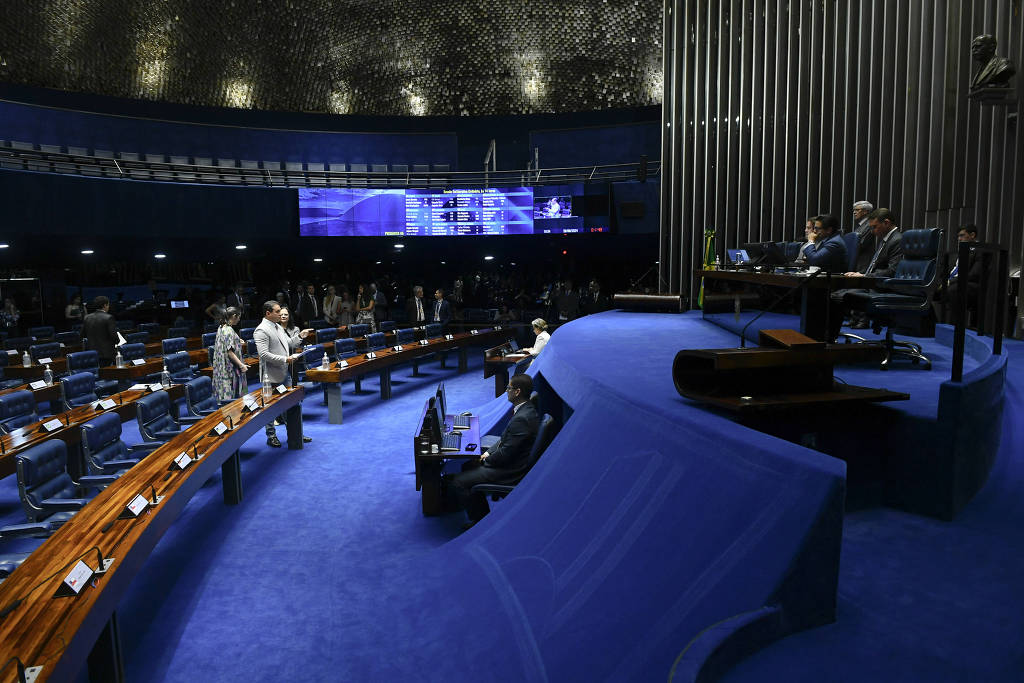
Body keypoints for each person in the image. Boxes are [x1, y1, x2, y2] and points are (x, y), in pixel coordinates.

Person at [447, 373, 540, 528]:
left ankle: (481, 523)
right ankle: (474, 507)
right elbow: (505, 440)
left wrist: (485, 460)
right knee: (467, 466)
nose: (506, 391)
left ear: (517, 392)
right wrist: (488, 452)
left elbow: (505, 454)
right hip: (510, 460)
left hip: (510, 470)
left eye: (508, 388)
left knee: (458, 482)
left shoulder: (522, 419)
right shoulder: (525, 408)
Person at [829, 208, 904, 336]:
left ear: (886, 222)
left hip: (886, 288)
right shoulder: (886, 239)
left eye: (875, 227)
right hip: (877, 284)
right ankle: (828, 337)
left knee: (837, 296)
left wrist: (865, 276)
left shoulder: (897, 240)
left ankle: (829, 338)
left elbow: (893, 271)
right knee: (837, 293)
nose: (872, 231)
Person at [253, 300, 313, 448]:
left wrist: (300, 336)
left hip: (284, 372)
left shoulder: (278, 327)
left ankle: (294, 434)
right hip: (271, 376)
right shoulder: (261, 330)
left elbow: (290, 344)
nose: (280, 314)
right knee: (270, 408)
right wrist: (285, 359)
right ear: (268, 313)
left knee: (291, 404)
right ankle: (271, 436)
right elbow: (264, 354)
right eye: (277, 311)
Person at [942, 225, 983, 323]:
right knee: (929, 288)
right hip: (953, 281)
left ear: (972, 235)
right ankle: (929, 324)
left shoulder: (980, 251)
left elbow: (973, 274)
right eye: (958, 236)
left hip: (970, 285)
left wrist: (950, 282)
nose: (959, 239)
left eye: (962, 235)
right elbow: (948, 270)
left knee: (953, 289)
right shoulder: (958, 251)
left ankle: (955, 326)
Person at [212, 306, 248, 402]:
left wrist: (237, 340)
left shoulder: (222, 327)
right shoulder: (228, 330)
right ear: (234, 316)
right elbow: (230, 352)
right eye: (239, 317)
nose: (239, 320)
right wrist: (241, 365)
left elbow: (225, 342)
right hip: (230, 368)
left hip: (222, 366)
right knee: (234, 393)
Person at [81, 295, 118, 367]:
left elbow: (82, 335)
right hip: (107, 354)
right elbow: (114, 337)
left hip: (91, 353)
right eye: (108, 305)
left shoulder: (87, 317)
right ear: (105, 305)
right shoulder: (109, 317)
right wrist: (117, 341)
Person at [852, 201, 875, 271]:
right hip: (858, 261)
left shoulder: (869, 225)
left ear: (865, 211)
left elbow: (860, 244)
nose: (854, 212)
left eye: (857, 210)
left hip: (863, 264)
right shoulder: (860, 225)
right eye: (854, 210)